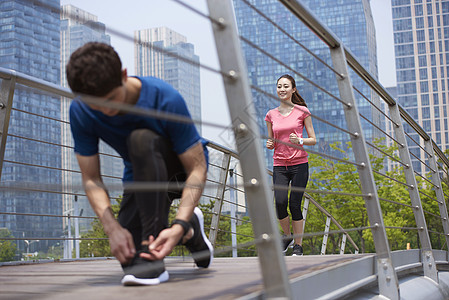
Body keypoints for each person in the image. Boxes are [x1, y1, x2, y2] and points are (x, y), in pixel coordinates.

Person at [66, 42, 213, 286]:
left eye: (111, 100)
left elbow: (196, 168)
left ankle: (160, 250)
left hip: (180, 174)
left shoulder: (164, 98)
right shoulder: (81, 110)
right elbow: (91, 177)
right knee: (129, 258)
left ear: (124, 76)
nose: (105, 110)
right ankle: (191, 231)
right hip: (142, 178)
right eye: (95, 104)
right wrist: (112, 228)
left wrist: (177, 221)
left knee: (140, 138)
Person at [265, 74, 316, 256]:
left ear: (293, 89)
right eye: (279, 86)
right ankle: (287, 236)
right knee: (279, 203)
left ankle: (298, 245)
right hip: (280, 164)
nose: (282, 89)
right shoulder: (271, 115)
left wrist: (300, 140)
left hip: (299, 164)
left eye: (286, 86)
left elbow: (313, 139)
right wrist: (270, 143)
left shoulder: (302, 111)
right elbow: (271, 139)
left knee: (295, 204)